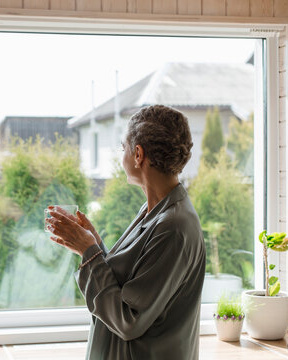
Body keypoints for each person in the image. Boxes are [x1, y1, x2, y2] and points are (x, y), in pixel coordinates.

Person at [46, 105, 206, 360]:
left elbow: (128, 319)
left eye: (124, 148)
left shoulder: (174, 226)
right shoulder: (154, 210)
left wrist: (89, 253)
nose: (122, 156)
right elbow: (133, 284)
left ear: (138, 154)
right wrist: (93, 245)